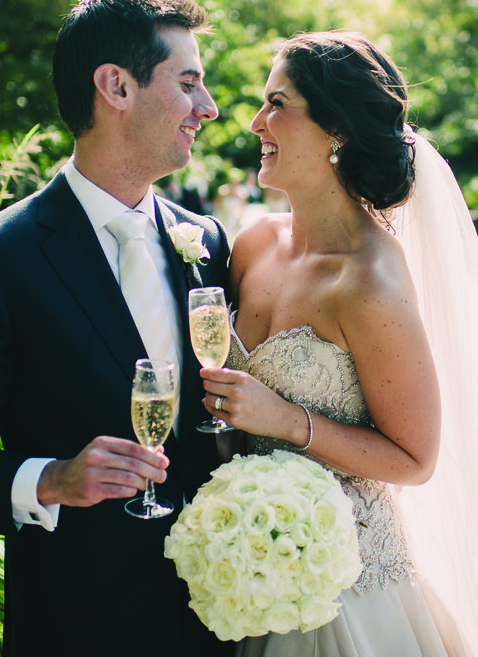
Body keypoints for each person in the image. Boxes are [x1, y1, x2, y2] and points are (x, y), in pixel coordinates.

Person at [200, 32, 478, 655]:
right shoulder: (252, 244)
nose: (255, 122)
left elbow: (415, 460)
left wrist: (288, 421)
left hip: (348, 584)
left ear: (337, 132)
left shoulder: (369, 281)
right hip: (244, 567)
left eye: (278, 103)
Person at [0, 0, 232, 657]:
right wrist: (48, 479)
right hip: (76, 625)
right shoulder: (5, 256)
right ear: (116, 87)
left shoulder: (206, 242)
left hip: (211, 619)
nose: (207, 108)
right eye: (187, 83)